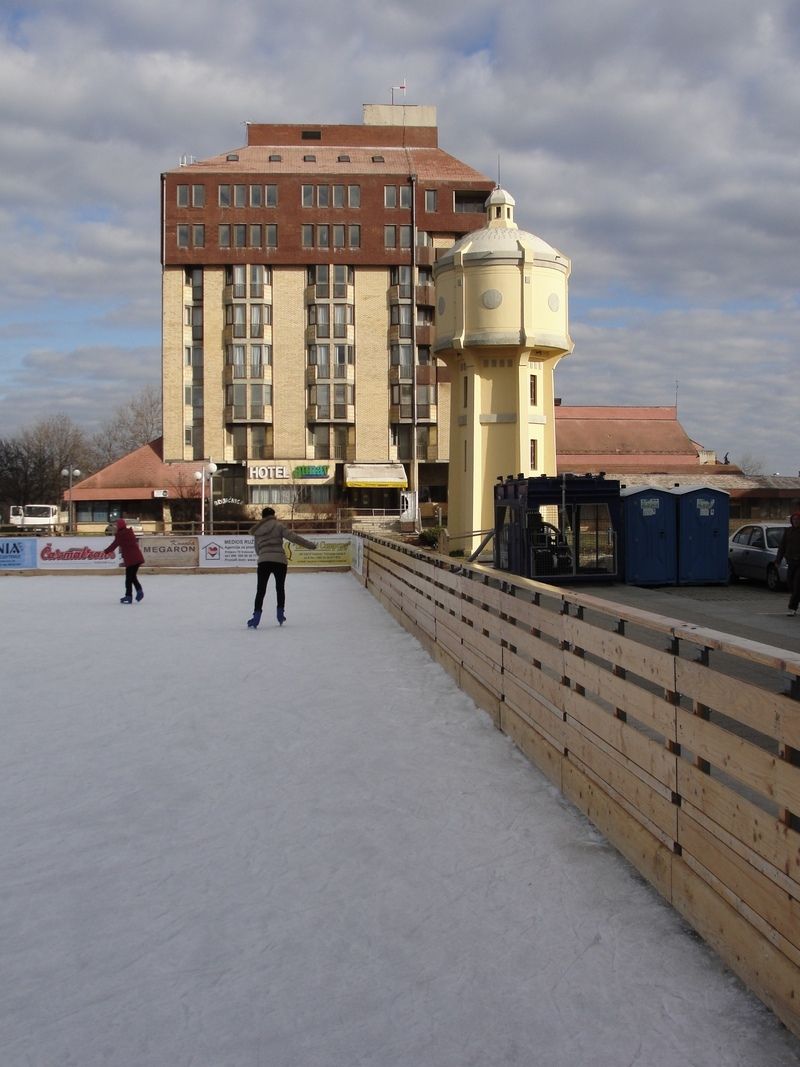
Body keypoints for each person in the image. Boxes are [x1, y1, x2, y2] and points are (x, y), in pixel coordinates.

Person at [247, 507, 318, 629]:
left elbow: (257, 550)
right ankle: (280, 614)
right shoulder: (279, 526)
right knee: (280, 588)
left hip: (264, 561)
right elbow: (294, 538)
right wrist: (310, 546)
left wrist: (265, 554)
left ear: (262, 517)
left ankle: (256, 616)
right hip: (280, 561)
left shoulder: (257, 530)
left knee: (261, 589)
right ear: (273, 515)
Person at [104, 518, 145, 604]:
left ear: (119, 526)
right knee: (132, 577)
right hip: (138, 557)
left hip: (131, 559)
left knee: (128, 579)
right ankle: (139, 591)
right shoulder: (130, 532)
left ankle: (129, 596)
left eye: (116, 525)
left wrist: (106, 551)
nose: (115, 527)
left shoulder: (120, 535)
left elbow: (114, 545)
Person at [775, 512, 800, 616]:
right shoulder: (788, 531)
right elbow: (782, 546)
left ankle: (792, 607)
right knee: (790, 584)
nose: (795, 521)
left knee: (797, 584)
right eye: (794, 519)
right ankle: (796, 598)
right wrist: (778, 560)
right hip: (791, 561)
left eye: (798, 520)